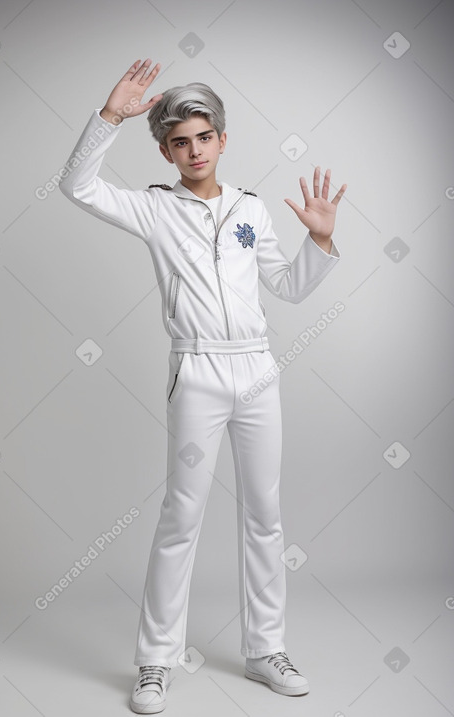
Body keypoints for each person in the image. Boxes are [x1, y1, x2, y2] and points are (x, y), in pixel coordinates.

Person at [59, 58, 347, 714]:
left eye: (203, 136)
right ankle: (156, 661)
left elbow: (289, 288)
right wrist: (109, 118)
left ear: (222, 139)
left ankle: (265, 647)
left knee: (264, 514)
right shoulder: (153, 209)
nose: (193, 150)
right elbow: (76, 186)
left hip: (257, 369)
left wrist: (321, 242)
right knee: (181, 515)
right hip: (198, 370)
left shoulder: (251, 210)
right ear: (164, 149)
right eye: (179, 140)